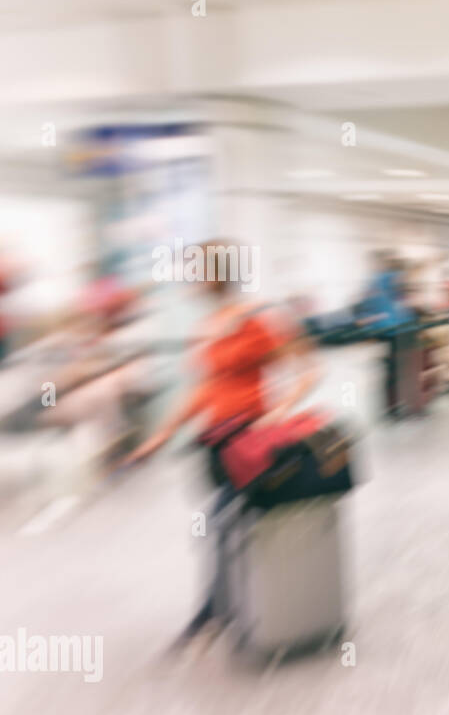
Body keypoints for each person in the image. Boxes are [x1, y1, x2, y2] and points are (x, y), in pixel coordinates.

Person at [129, 240, 319, 652]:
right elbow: (203, 390)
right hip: (215, 442)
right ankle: (228, 610)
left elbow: (309, 370)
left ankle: (217, 613)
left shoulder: (260, 318)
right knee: (221, 525)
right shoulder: (208, 326)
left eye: (195, 270)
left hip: (248, 441)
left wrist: (280, 410)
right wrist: (162, 435)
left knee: (220, 522)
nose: (189, 279)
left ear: (217, 273)